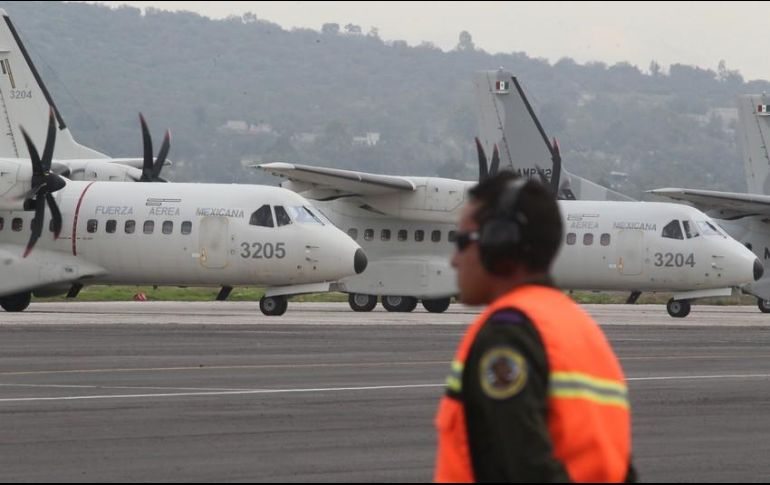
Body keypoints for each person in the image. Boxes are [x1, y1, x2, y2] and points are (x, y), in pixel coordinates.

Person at [434, 172, 635, 482]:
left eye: (462, 242)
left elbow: (529, 469)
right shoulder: (580, 328)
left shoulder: (508, 336)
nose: (454, 260)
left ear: (499, 244)